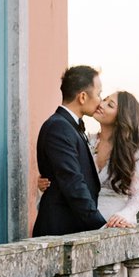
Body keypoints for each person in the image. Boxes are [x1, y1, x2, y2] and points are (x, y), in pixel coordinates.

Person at [38, 90, 139, 227]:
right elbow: (70, 178)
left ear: (121, 118)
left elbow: (136, 198)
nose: (102, 104)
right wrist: (43, 184)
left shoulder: (132, 151)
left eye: (110, 105)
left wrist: (123, 215)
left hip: (117, 222)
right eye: (104, 99)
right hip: (84, 220)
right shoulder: (86, 141)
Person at [32, 65, 107, 237]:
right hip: (60, 228)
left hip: (72, 227)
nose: (100, 100)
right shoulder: (59, 127)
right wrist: (100, 225)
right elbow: (72, 181)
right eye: (98, 94)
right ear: (82, 97)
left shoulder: (69, 126)